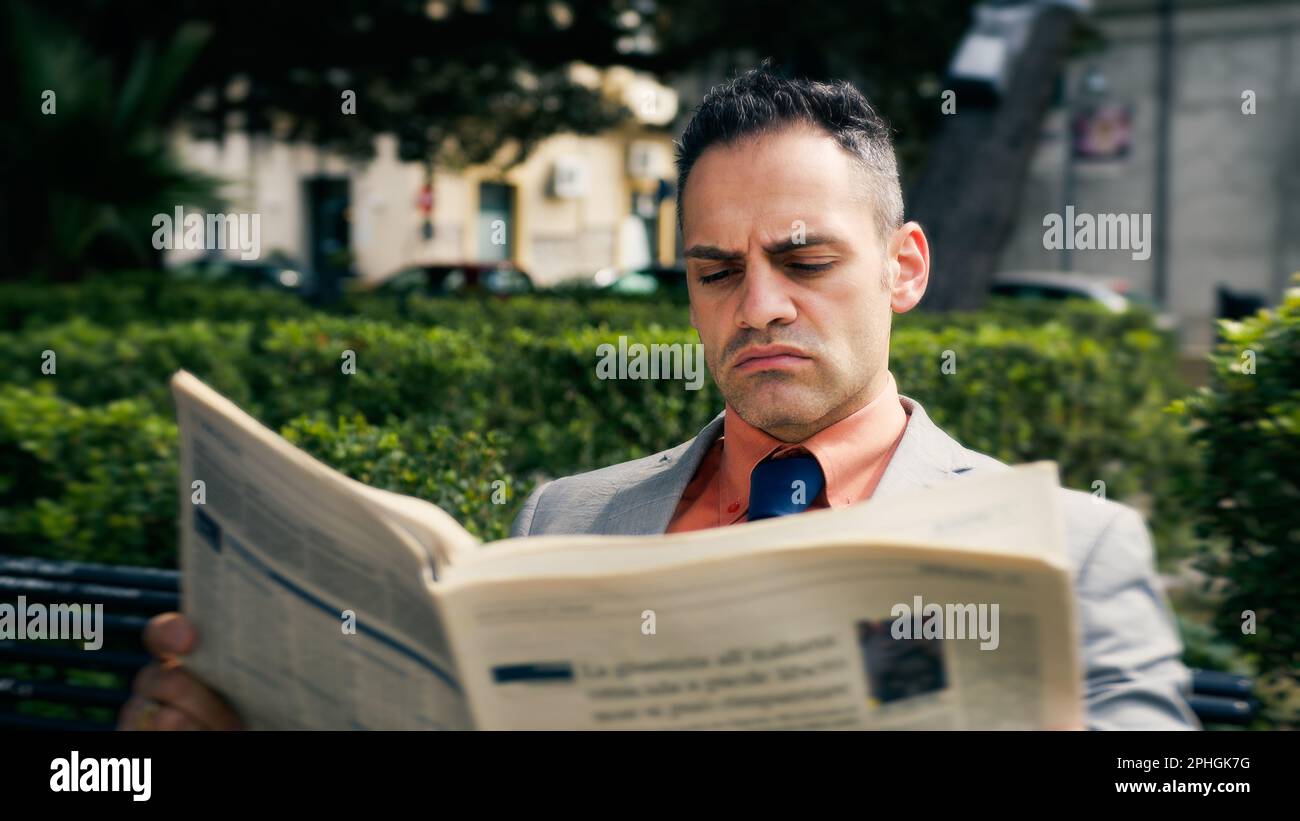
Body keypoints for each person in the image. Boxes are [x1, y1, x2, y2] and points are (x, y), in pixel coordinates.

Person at [120, 66, 1198, 731]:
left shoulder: (1072, 546)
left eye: (805, 259)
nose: (759, 306)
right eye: (716, 271)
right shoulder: (565, 519)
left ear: (904, 267)